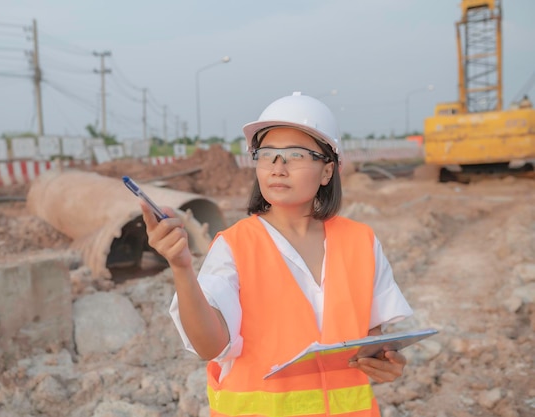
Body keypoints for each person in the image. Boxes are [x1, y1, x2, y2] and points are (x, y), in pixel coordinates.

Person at [139, 91, 413, 417]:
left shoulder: (361, 242)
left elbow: (370, 343)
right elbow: (209, 346)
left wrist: (385, 363)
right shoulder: (236, 246)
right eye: (268, 154)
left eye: (295, 155)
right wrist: (181, 267)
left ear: (327, 171)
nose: (277, 167)